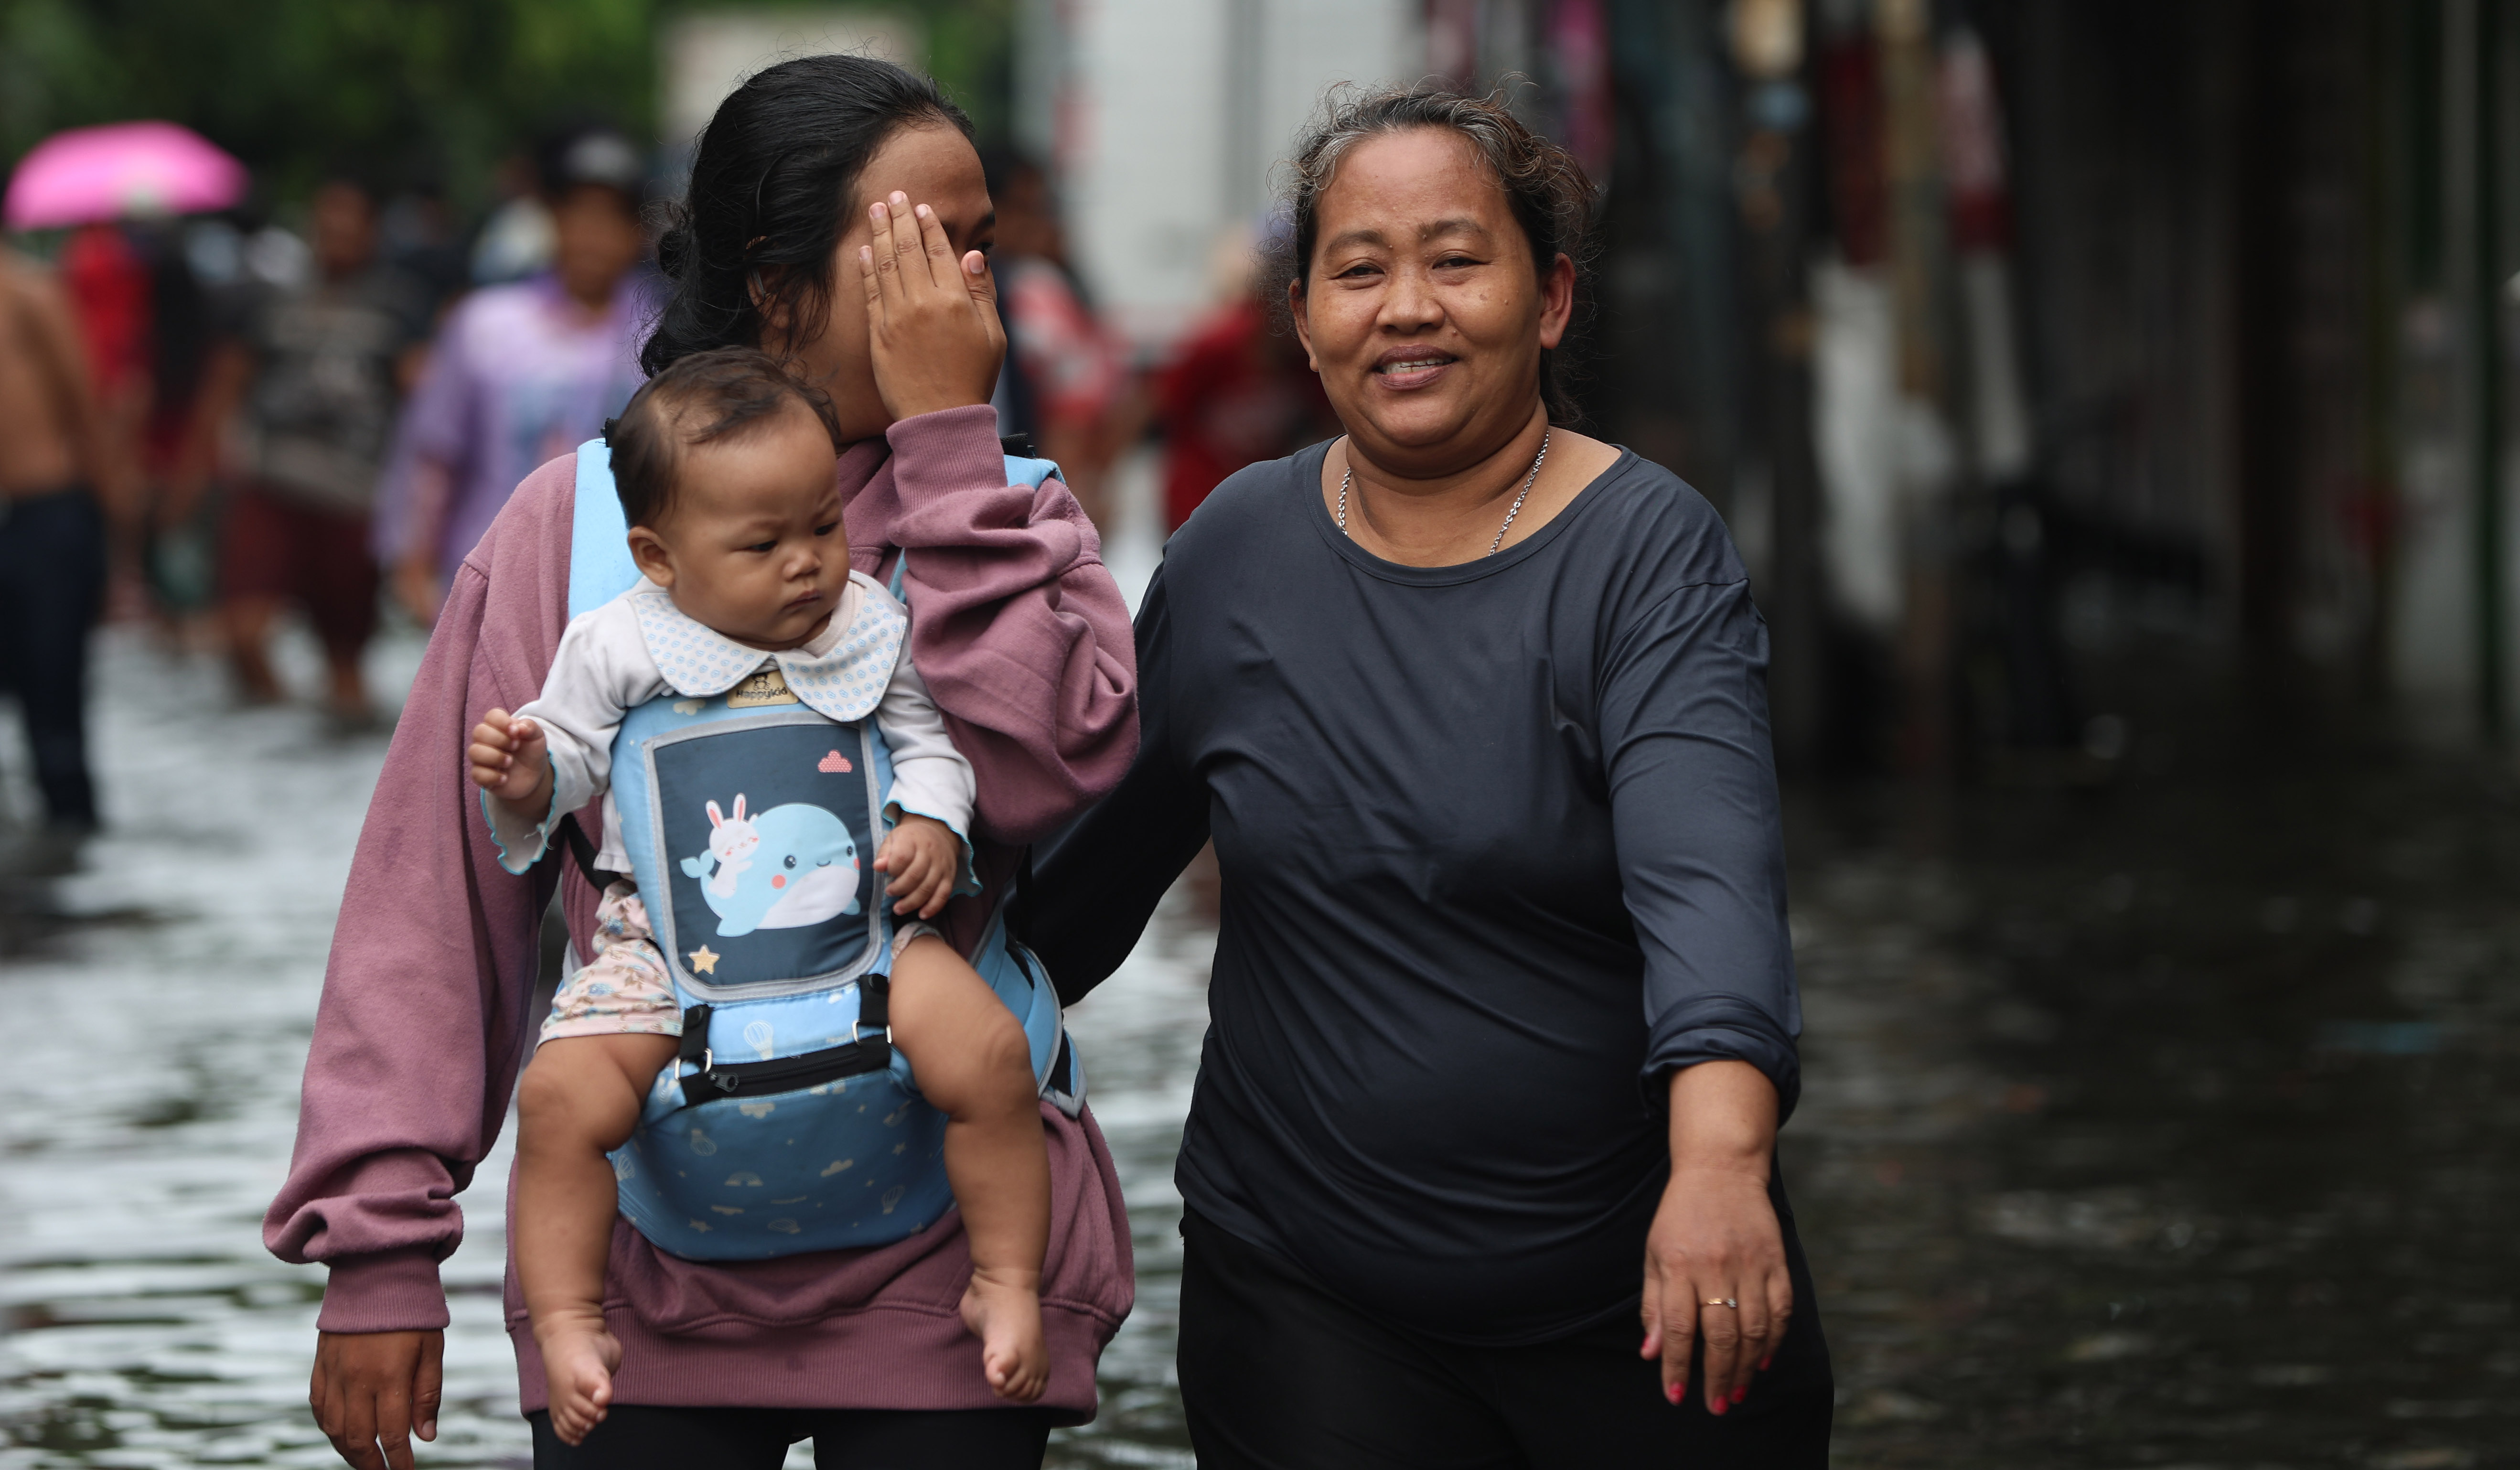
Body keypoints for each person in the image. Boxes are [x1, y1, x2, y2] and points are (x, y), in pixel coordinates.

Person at [264, 54, 1139, 1470]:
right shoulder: (580, 537)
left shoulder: (1015, 517)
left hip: (955, 1272)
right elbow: (434, 908)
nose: (963, 289)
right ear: (777, 283)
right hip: (638, 1277)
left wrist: (951, 457)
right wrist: (378, 1246)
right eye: (918, 246)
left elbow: (1047, 778)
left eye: (981, 245)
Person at [1023, 83, 1834, 1466]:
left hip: (1641, 1281)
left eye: (1456, 260)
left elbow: (1711, 892)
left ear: (1552, 298)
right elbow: (1070, 896)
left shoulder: (1647, 553)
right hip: (1304, 1299)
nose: (1407, 307)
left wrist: (1718, 1167)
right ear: (1303, 314)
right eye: (1360, 269)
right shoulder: (1236, 553)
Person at [468, 349, 1051, 1442]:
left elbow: (928, 740)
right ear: (657, 556)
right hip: (664, 941)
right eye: (761, 543)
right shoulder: (618, 639)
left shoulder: (868, 622)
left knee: (988, 1057)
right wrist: (531, 771)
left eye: (822, 527)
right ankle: (570, 1317)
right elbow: (573, 753)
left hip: (868, 924)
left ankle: (1006, 1277)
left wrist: (931, 820)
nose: (805, 564)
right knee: (556, 1103)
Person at [377, 127, 654, 625]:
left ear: (638, 231)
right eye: (577, 211)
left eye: (612, 216)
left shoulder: (662, 336)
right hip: (488, 578)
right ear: (552, 218)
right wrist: (413, 562)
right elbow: (433, 450)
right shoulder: (485, 323)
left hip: (622, 595)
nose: (592, 233)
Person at [189, 175, 431, 722]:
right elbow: (225, 385)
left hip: (355, 495)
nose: (337, 231)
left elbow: (428, 405)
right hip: (271, 481)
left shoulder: (399, 307)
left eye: (351, 220)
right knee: (242, 631)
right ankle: (273, 744)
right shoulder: (271, 299)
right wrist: (191, 481)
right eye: (328, 219)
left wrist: (420, 515)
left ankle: (333, 745)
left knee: (345, 661)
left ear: (373, 230)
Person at [0, 246, 129, 830]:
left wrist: (120, 549)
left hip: (43, 521)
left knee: (55, 723)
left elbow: (85, 415)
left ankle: (71, 865)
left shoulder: (29, 292)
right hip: (40, 524)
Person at [982, 152, 1127, 525]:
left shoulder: (1036, 286)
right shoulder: (1033, 287)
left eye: (1043, 209)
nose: (1038, 224)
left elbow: (1082, 408)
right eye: (1024, 209)